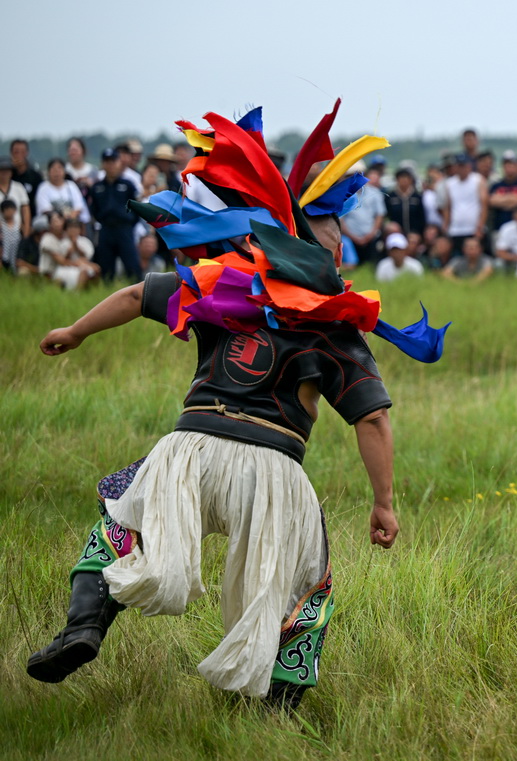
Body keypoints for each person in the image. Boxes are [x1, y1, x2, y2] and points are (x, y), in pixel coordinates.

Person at [26, 102, 448, 711]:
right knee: (310, 578)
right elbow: (372, 418)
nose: (345, 241)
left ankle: (83, 627)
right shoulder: (336, 323)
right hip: (276, 473)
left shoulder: (227, 280)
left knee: (122, 511)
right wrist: (383, 502)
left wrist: (75, 331)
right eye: (337, 232)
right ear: (316, 243)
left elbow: (133, 292)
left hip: (189, 453)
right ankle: (276, 704)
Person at [88, 148, 141, 282]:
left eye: (113, 161)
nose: (110, 165)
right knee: (106, 268)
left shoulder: (128, 185)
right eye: (107, 162)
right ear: (103, 164)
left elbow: (136, 208)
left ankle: (138, 294)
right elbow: (94, 210)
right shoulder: (97, 187)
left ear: (119, 163)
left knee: (132, 267)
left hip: (124, 229)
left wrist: (129, 224)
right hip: (106, 229)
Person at [39, 215, 100, 289]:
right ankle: (77, 293)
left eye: (75, 228)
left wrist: (76, 246)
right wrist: (73, 257)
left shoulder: (85, 241)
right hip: (63, 268)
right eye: (70, 228)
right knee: (83, 272)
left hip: (80, 265)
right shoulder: (60, 242)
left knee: (95, 269)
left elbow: (86, 256)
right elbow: (62, 260)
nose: (73, 230)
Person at [442, 155, 487, 254]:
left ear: (469, 166)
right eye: (459, 166)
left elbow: (483, 205)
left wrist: (480, 226)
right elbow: (448, 207)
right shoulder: (450, 183)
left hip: (473, 228)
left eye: (464, 166)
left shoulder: (478, 180)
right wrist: (446, 225)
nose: (461, 169)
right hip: (456, 228)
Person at [385, 168, 426, 237]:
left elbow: (421, 216)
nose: (404, 180)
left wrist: (419, 233)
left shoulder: (417, 197)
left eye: (406, 178)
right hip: (395, 235)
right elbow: (386, 216)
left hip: (414, 234)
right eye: (401, 178)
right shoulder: (390, 197)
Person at [0, 156, 31, 238]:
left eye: (7, 170)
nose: (4, 173)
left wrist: (26, 230)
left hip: (17, 230)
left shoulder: (18, 187)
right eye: (2, 170)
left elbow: (25, 210)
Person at [1, 198, 21, 270]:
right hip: (4, 251)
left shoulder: (19, 226)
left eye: (11, 209)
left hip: (16, 251)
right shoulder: (1, 225)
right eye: (7, 210)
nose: (9, 212)